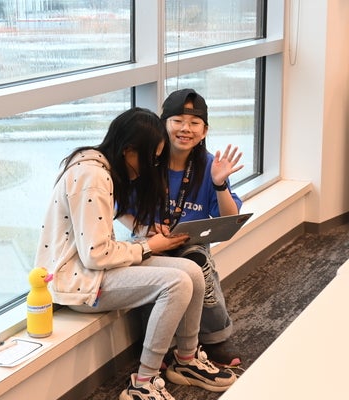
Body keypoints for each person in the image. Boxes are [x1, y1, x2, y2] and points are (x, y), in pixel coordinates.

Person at [34, 107, 237, 400]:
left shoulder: (98, 167)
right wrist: (147, 246)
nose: (150, 165)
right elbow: (95, 255)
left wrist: (146, 239)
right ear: (129, 150)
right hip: (78, 281)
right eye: (150, 158)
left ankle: (186, 360)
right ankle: (143, 383)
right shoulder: (93, 177)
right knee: (176, 282)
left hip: (95, 271)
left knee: (190, 270)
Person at [119, 89, 244, 367]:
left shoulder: (210, 165)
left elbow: (229, 217)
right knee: (160, 269)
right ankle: (161, 343)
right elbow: (119, 207)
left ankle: (213, 339)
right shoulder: (146, 161)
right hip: (151, 243)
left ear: (204, 130)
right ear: (164, 123)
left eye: (194, 123)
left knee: (197, 259)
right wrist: (144, 228)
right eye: (177, 120)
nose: (185, 129)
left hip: (191, 244)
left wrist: (219, 184)